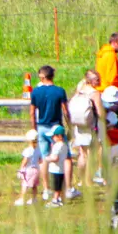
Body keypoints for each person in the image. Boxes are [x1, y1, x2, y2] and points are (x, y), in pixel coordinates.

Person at [29, 65, 75, 199]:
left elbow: (32, 112)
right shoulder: (59, 91)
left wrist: (34, 129)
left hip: (42, 127)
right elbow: (65, 111)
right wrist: (70, 126)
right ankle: (68, 187)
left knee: (44, 158)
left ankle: (46, 188)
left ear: (42, 77)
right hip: (56, 127)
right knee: (66, 157)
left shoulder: (36, 92)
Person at [68, 70, 106, 187]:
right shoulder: (94, 93)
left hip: (79, 124)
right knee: (90, 154)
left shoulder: (80, 89)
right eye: (97, 79)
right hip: (91, 125)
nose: (99, 81)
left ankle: (82, 179)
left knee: (82, 153)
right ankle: (89, 181)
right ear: (91, 80)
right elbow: (100, 112)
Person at [15, 129, 41, 206]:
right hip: (36, 170)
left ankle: (22, 199)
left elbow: (25, 161)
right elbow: (40, 160)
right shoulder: (38, 150)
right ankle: (34, 199)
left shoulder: (27, 150)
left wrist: (21, 169)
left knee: (25, 185)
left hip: (29, 170)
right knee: (34, 185)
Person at [45, 126, 70, 206]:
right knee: (60, 186)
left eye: (53, 136)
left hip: (55, 169)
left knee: (56, 187)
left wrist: (47, 159)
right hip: (62, 169)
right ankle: (61, 199)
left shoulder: (57, 146)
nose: (52, 138)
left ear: (59, 136)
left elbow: (55, 158)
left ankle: (55, 200)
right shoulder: (65, 146)